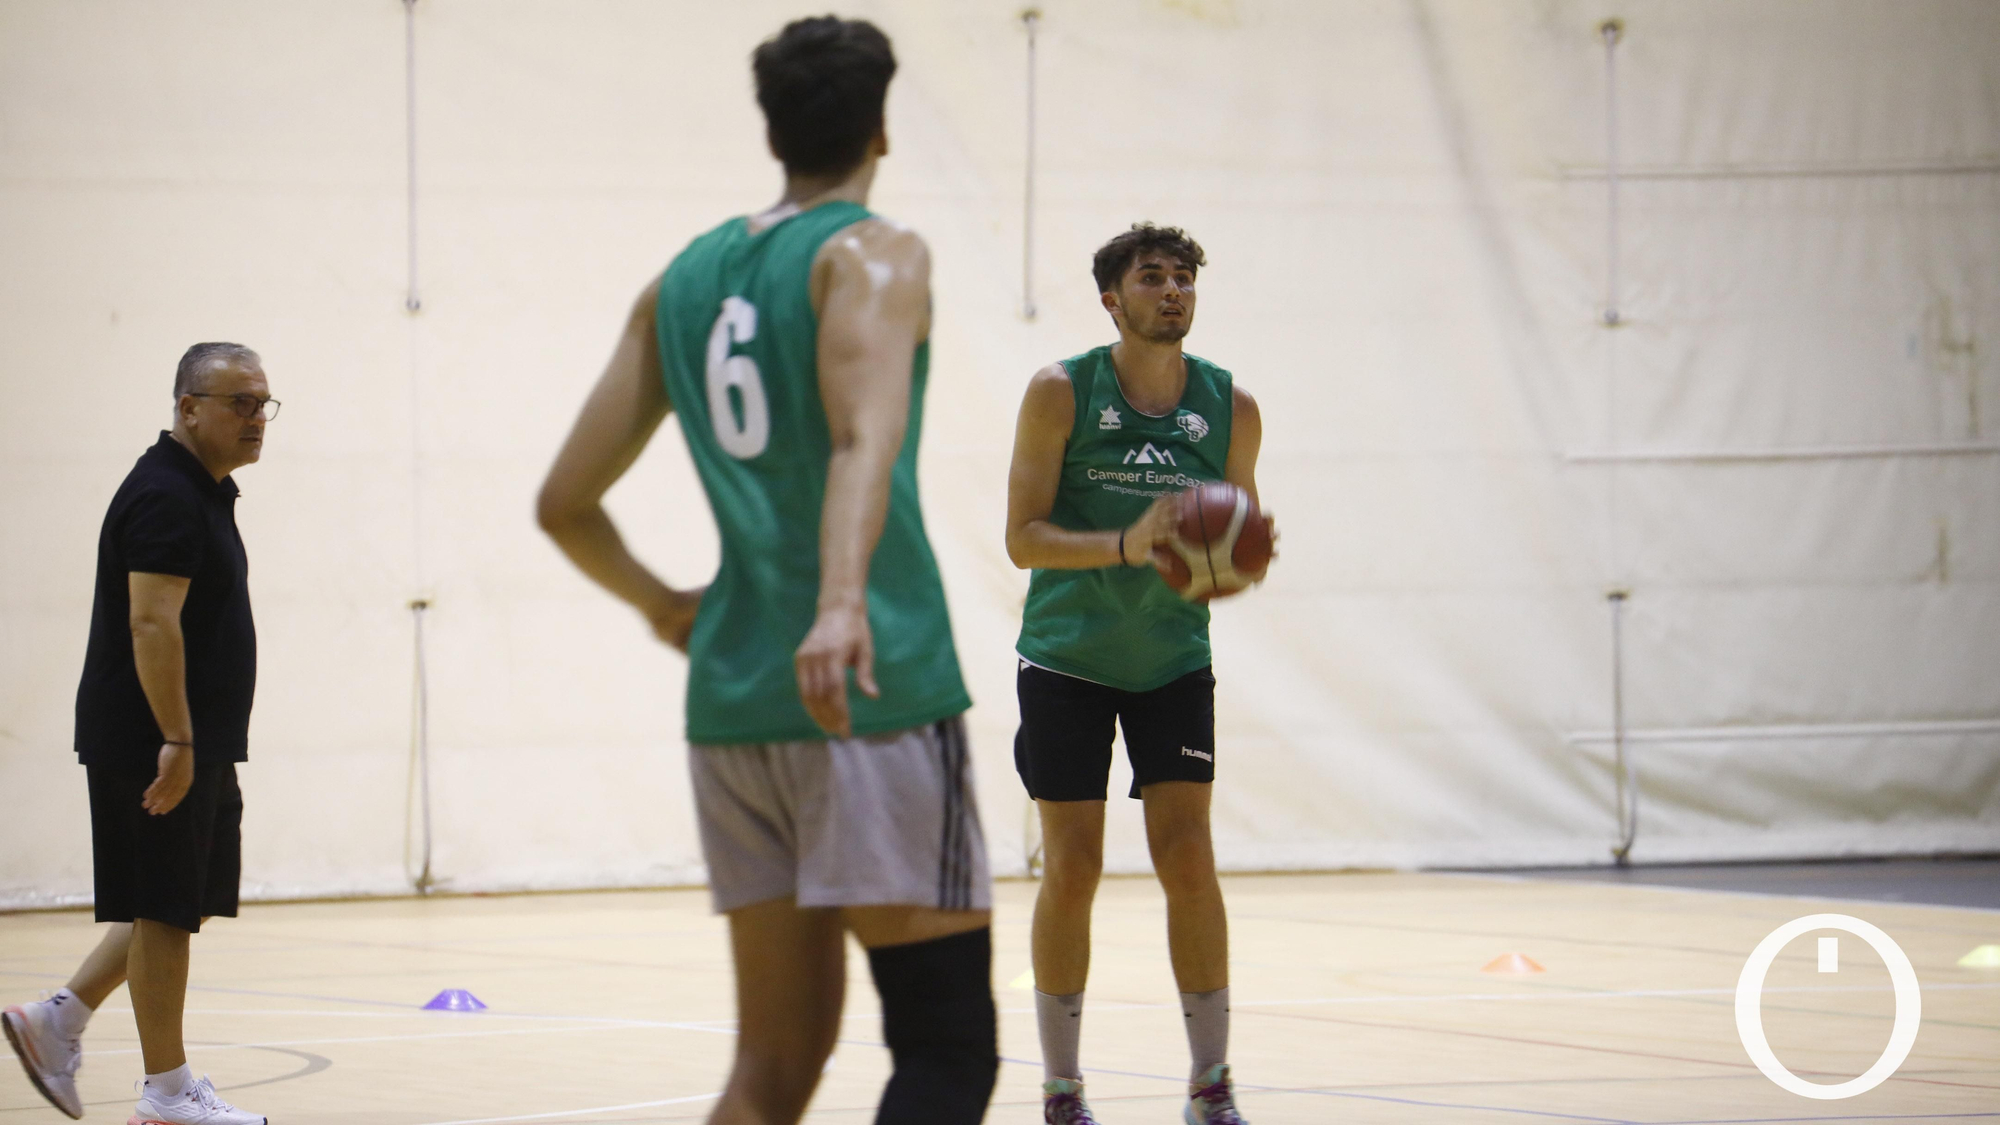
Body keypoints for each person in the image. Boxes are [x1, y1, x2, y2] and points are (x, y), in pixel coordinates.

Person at [536, 17, 996, 1125]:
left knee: (770, 1073)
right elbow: (859, 440)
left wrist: (663, 606)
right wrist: (840, 607)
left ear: (770, 129)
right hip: (868, 689)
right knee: (944, 1052)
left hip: (733, 700)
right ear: (882, 123)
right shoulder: (876, 253)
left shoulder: (681, 280)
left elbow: (564, 505)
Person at [1004, 224, 1271, 1125]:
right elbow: (1021, 537)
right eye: (1152, 277)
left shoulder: (1232, 407)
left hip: (1170, 664)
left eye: (1185, 277)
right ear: (1111, 300)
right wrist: (1129, 540)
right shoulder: (1059, 392)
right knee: (1072, 867)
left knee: (1187, 857)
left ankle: (1210, 1082)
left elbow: (1228, 545)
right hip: (1066, 659)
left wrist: (1237, 558)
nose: (1173, 290)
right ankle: (1062, 1087)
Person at [5, 343, 275, 1125]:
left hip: (192, 736)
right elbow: (150, 620)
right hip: (154, 739)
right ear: (189, 407)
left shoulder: (203, 489)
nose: (257, 418)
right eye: (239, 403)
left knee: (171, 897)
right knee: (165, 910)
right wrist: (180, 740)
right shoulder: (165, 495)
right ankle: (166, 1093)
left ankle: (59, 1017)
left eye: (264, 404)